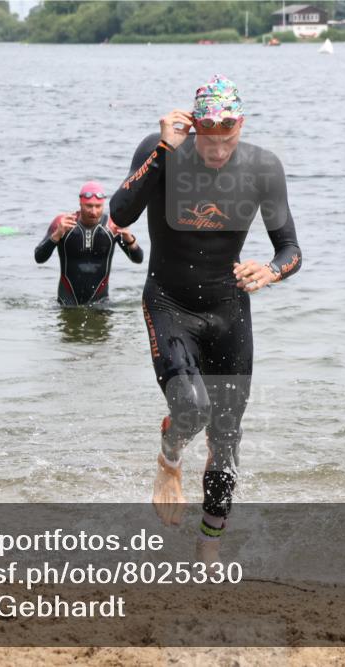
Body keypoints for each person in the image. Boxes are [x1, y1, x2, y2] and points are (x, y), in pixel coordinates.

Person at [108, 75, 302, 554]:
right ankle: (169, 456)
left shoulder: (263, 167)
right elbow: (120, 212)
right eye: (209, 141)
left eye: (228, 141)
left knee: (228, 433)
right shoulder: (162, 149)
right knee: (192, 407)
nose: (218, 152)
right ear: (193, 128)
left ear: (242, 128)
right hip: (169, 302)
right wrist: (163, 153)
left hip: (229, 307)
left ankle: (210, 542)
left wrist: (272, 271)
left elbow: (291, 250)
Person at [35, 181, 143, 306]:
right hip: (67, 303)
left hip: (101, 303)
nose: (93, 211)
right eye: (89, 206)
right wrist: (57, 235)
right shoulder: (63, 223)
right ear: (80, 203)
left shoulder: (113, 225)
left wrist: (130, 240)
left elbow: (138, 259)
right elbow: (39, 258)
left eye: (98, 206)